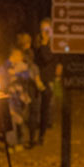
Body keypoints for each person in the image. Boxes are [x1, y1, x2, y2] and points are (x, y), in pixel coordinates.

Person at [32, 18, 60, 146]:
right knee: (34, 109)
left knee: (44, 109)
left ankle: (41, 136)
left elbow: (47, 58)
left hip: (48, 80)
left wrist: (44, 44)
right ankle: (32, 136)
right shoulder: (37, 43)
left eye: (47, 29)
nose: (44, 32)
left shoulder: (53, 45)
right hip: (37, 79)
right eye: (42, 29)